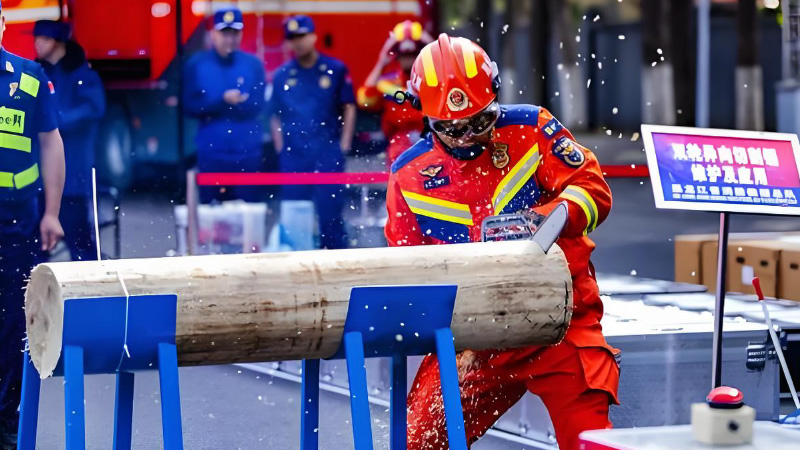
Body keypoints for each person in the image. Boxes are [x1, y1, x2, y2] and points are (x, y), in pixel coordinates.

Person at [384, 34, 619, 450]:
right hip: (473, 339)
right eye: (452, 129)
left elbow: (593, 189)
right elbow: (405, 266)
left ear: (495, 95)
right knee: (418, 442)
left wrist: (546, 220)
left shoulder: (531, 128)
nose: (468, 137)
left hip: (560, 325)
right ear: (424, 116)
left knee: (590, 442)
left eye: (480, 121)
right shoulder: (408, 175)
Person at [0, 4, 65, 448]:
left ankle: (7, 418)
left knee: (12, 321)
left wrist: (52, 212)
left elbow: (50, 143)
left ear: (3, 25)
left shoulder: (30, 77)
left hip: (15, 222)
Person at [268, 15, 356, 249]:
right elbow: (274, 114)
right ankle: (297, 264)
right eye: (292, 38)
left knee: (331, 215)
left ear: (313, 37)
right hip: (294, 155)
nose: (298, 42)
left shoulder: (335, 69)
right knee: (295, 215)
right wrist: (280, 147)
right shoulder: (282, 74)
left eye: (302, 36)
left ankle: (337, 261)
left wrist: (344, 145)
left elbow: (348, 106)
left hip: (327, 153)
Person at [34, 20, 105, 261]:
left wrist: (54, 120)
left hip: (73, 175)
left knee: (79, 243)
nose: (37, 44)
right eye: (36, 38)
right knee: (36, 247)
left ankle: (91, 282)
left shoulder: (83, 75)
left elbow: (93, 109)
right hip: (40, 178)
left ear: (59, 43)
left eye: (44, 39)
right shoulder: (37, 74)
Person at [184, 8, 266, 203]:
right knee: (211, 212)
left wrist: (240, 103)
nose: (230, 39)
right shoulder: (197, 64)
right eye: (224, 33)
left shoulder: (253, 65)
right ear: (213, 34)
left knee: (247, 212)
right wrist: (221, 101)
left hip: (246, 153)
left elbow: (259, 105)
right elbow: (189, 106)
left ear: (241, 34)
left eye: (235, 34)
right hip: (212, 152)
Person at [357, 20, 430, 167]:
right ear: (396, 56)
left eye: (413, 54)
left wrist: (432, 48)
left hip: (430, 142)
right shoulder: (387, 82)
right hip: (398, 146)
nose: (409, 60)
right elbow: (364, 100)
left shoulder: (432, 81)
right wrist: (381, 62)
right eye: (404, 55)